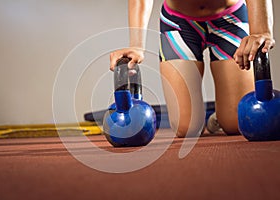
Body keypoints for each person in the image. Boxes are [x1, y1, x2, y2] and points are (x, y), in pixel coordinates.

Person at [109, 0, 275, 137]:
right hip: (178, 23)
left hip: (231, 19)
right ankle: (209, 115)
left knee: (236, 123)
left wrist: (261, 31)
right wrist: (137, 45)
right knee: (187, 129)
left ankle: (218, 118)